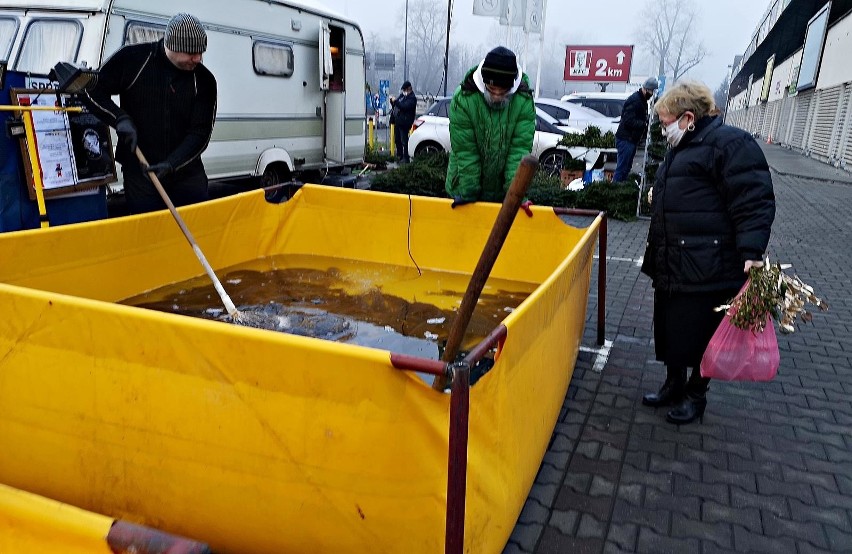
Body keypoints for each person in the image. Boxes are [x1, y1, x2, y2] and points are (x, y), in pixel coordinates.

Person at [640, 81, 775, 425]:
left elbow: (753, 199)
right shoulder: (686, 144)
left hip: (707, 264)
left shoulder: (729, 144)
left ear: (688, 118)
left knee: (702, 334)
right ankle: (674, 383)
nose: (662, 128)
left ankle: (695, 395)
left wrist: (751, 251)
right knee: (672, 327)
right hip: (673, 259)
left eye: (665, 121)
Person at [85, 13, 217, 214]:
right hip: (141, 173)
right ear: (171, 46)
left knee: (196, 228)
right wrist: (120, 119)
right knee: (149, 233)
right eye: (191, 53)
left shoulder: (204, 81)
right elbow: (92, 90)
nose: (197, 58)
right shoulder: (134, 60)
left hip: (186, 174)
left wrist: (171, 164)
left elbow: (200, 134)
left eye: (201, 52)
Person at [444, 46, 535, 216]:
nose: (497, 96)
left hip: (502, 195)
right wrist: (468, 192)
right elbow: (466, 151)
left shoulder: (523, 101)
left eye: (503, 92)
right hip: (463, 189)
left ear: (512, 86)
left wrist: (515, 196)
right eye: (492, 90)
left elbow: (518, 152)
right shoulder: (464, 98)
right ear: (484, 82)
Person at [613, 77, 658, 183]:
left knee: (626, 168)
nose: (651, 94)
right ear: (646, 89)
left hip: (631, 139)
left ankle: (620, 188)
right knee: (622, 168)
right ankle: (615, 188)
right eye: (651, 91)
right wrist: (644, 124)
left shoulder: (642, 100)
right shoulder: (635, 100)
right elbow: (628, 120)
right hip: (626, 139)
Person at [389, 81, 417, 163]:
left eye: (405, 90)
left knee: (404, 141)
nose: (403, 92)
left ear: (409, 89)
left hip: (405, 123)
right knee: (397, 140)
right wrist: (393, 101)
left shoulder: (412, 98)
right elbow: (397, 104)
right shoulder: (402, 96)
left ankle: (405, 158)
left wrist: (396, 102)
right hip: (398, 121)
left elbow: (404, 106)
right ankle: (400, 156)